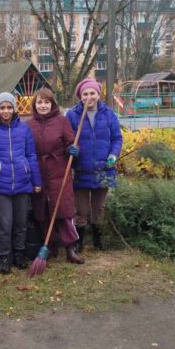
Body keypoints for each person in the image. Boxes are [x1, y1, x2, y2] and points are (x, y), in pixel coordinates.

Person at [0, 92, 42, 274]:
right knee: (5, 223)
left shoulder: (24, 129)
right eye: (2, 107)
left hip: (22, 182)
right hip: (1, 184)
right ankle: (4, 257)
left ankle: (19, 253)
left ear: (14, 109)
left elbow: (31, 155)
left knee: (21, 223)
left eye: (9, 107)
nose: (6, 111)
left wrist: (36, 180)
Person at [27, 87, 84, 265]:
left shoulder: (61, 121)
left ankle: (70, 248)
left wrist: (73, 149)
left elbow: (71, 142)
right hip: (39, 171)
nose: (43, 105)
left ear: (52, 104)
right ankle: (50, 245)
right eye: (40, 102)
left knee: (63, 210)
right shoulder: (29, 124)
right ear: (35, 105)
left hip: (59, 171)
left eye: (46, 102)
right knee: (43, 210)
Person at [66, 78, 122, 251]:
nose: (89, 97)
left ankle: (98, 240)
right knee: (80, 208)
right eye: (85, 94)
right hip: (80, 169)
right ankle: (79, 241)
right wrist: (71, 149)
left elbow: (117, 138)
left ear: (98, 95)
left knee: (99, 207)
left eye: (92, 93)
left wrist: (113, 155)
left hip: (103, 168)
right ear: (80, 96)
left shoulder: (108, 114)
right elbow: (67, 138)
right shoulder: (72, 115)